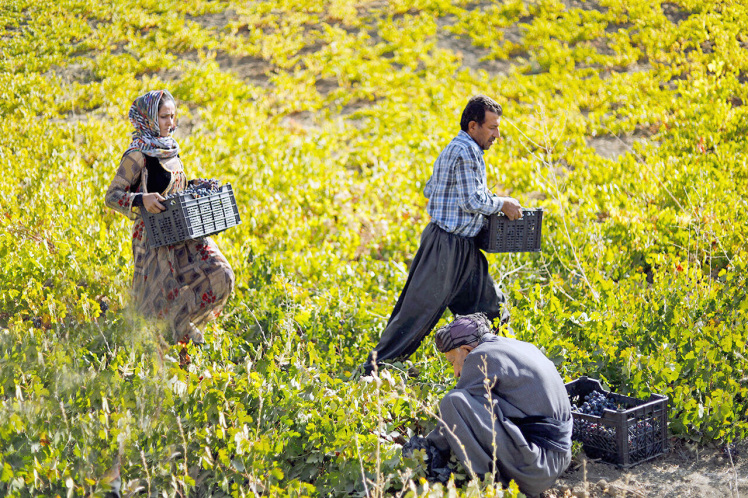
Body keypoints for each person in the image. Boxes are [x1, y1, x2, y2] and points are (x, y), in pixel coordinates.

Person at [362, 95, 523, 375]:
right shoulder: (464, 152)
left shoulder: (458, 149)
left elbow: (430, 189)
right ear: (473, 126)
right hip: (445, 247)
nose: (497, 134)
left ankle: (494, 367)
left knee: (490, 309)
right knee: (415, 316)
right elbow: (472, 201)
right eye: (492, 127)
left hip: (464, 248)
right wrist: (502, 203)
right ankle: (371, 372)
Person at [105, 89, 235, 344]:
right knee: (159, 298)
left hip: (183, 231)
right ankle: (175, 339)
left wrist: (197, 186)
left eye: (173, 116)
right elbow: (112, 195)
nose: (171, 123)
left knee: (221, 274)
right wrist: (142, 199)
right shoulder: (137, 154)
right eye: (164, 117)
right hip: (154, 239)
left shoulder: (170, 149)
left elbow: (176, 188)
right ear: (149, 118)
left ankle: (178, 326)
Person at [411, 313, 572, 496]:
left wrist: (424, 451)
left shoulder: (480, 356)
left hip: (534, 471)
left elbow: (450, 422)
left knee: (452, 401)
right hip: (559, 461)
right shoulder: (520, 347)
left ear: (466, 349)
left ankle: (491, 485)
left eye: (453, 361)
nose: (456, 371)